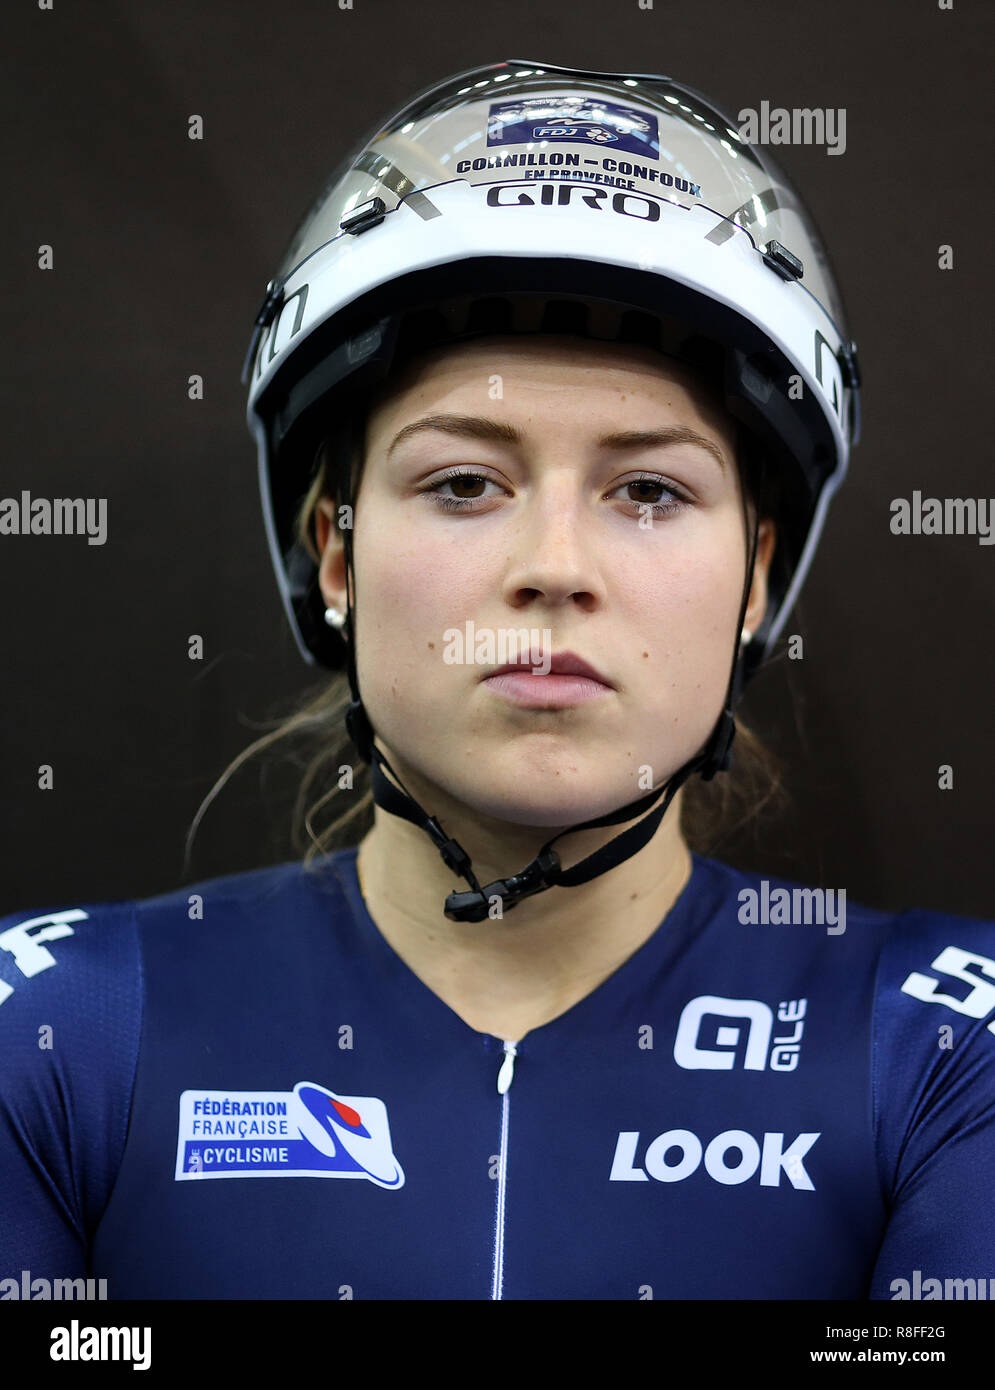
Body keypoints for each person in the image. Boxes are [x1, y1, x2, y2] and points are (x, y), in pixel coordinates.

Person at [1, 59, 992, 1302]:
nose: (553, 568)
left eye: (648, 489)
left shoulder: (952, 1046)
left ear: (752, 577)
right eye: (464, 482)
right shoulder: (48, 1029)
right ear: (336, 554)